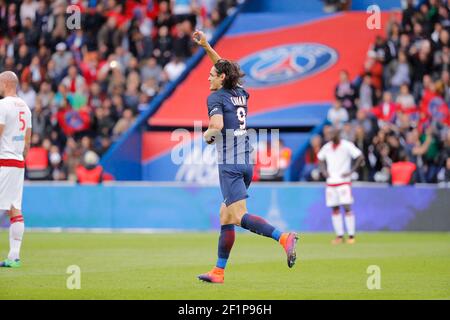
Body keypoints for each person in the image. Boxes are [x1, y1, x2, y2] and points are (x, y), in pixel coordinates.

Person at [192, 30, 299, 284]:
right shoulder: (239, 92)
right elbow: (224, 67)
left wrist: (206, 135)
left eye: (211, 75)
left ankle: (283, 237)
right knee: (225, 214)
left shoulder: (215, 97)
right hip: (246, 162)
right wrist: (207, 46)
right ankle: (218, 272)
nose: (208, 77)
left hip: (229, 163)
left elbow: (216, 126)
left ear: (221, 79)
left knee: (238, 215)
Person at [0, 71, 32, 268]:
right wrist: (21, 158)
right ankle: (14, 256)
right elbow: (28, 141)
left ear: (5, 83)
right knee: (15, 208)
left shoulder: (3, 105)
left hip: (3, 161)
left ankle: (13, 256)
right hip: (18, 162)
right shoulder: (25, 107)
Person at [318, 127, 364, 245]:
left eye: (331, 134)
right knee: (334, 208)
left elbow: (360, 156)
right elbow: (320, 159)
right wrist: (324, 171)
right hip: (331, 182)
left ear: (337, 134)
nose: (329, 136)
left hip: (344, 181)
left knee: (347, 207)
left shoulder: (346, 145)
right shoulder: (327, 147)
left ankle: (351, 235)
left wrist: (352, 171)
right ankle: (339, 236)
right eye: (328, 134)